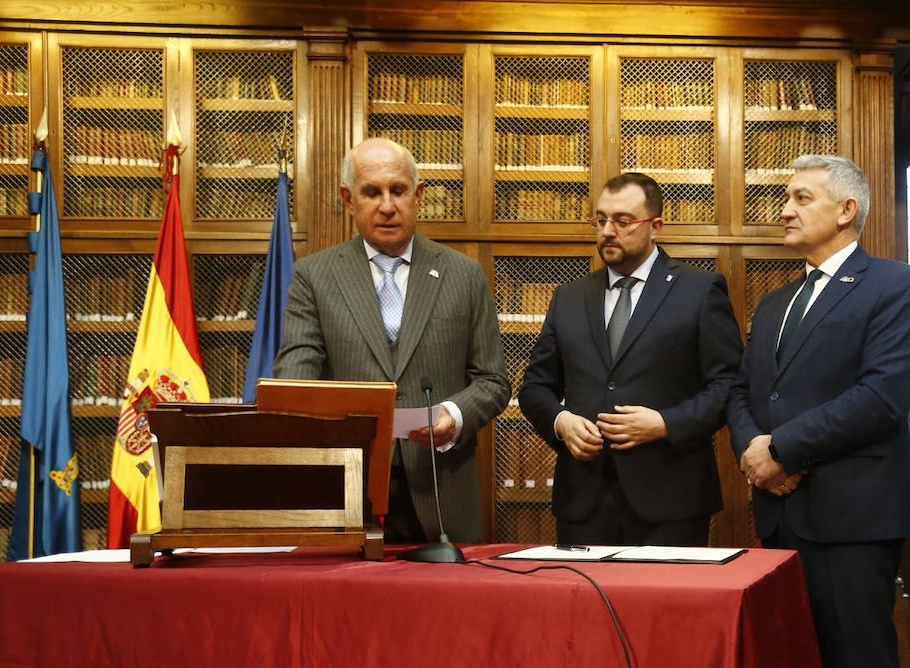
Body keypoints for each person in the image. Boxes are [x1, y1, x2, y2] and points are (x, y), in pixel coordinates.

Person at [727, 154, 910, 668]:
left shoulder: (896, 287)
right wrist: (756, 450)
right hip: (782, 518)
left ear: (847, 210)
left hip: (854, 518)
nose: (784, 209)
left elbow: (882, 397)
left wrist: (782, 449)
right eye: (785, 197)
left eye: (799, 197)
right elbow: (742, 393)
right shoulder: (776, 305)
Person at [274, 138, 509, 543]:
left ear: (418, 196)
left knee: (446, 607)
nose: (386, 205)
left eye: (398, 190)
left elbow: (493, 381)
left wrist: (454, 413)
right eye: (372, 192)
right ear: (349, 200)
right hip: (348, 491)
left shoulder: (463, 275)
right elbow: (295, 384)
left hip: (440, 490)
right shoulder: (315, 277)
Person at [519, 172, 743, 546]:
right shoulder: (569, 297)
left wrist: (666, 424)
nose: (608, 230)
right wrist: (562, 422)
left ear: (655, 226)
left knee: (664, 606)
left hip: (670, 500)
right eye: (601, 219)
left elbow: (730, 384)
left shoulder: (700, 291)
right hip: (584, 501)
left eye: (622, 221)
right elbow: (535, 388)